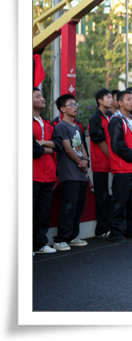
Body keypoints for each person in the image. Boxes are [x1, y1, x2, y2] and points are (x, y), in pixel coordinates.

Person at [107, 91, 132, 242]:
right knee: (120, 201)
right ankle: (116, 231)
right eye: (128, 99)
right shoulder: (116, 120)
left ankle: (131, 228)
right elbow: (117, 145)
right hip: (122, 168)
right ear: (119, 103)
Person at [51, 94, 90, 251]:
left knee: (78, 206)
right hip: (69, 173)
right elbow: (67, 148)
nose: (75, 107)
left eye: (76, 104)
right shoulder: (61, 126)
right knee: (69, 206)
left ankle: (73, 236)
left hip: (81, 174)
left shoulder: (77, 127)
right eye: (71, 104)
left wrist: (86, 160)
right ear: (62, 109)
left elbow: (82, 146)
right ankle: (61, 239)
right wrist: (80, 162)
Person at [33, 88, 57, 254]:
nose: (42, 98)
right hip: (32, 174)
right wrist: (49, 148)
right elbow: (33, 150)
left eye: (42, 95)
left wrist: (41, 143)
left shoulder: (48, 122)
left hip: (48, 174)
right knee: (29, 211)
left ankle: (40, 244)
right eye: (38, 96)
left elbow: (58, 144)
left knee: (43, 212)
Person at [88, 88, 114, 238]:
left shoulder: (110, 116)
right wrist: (112, 157)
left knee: (112, 195)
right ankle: (102, 229)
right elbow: (98, 140)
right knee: (102, 197)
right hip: (101, 163)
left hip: (113, 163)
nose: (111, 100)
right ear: (100, 101)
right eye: (108, 97)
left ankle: (111, 225)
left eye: (111, 97)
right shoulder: (95, 118)